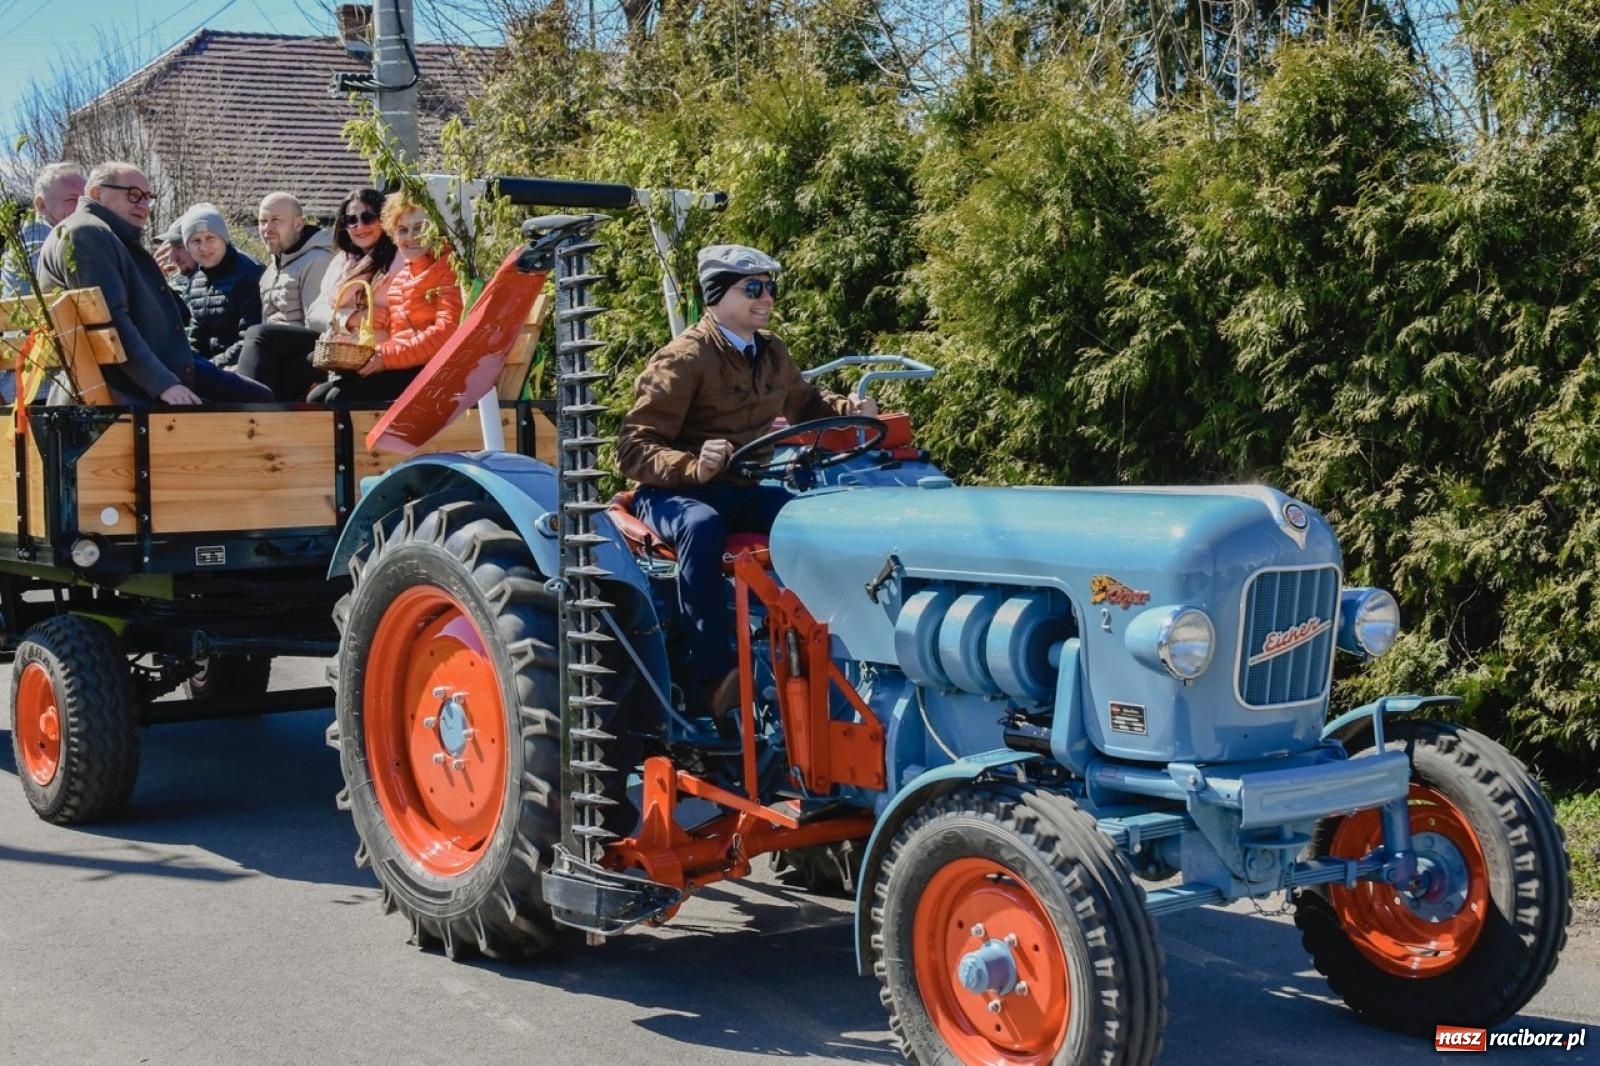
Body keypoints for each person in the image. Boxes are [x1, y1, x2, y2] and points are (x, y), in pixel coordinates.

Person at [616, 244, 876, 722]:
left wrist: (849, 411)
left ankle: (840, 642)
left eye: (770, 287)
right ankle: (711, 676)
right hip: (674, 493)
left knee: (809, 517)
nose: (766, 298)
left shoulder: (771, 351)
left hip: (741, 485)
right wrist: (694, 465)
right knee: (702, 525)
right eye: (752, 288)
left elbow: (808, 403)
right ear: (717, 295)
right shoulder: (683, 359)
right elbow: (633, 449)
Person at [34, 162, 272, 406]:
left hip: (149, 371)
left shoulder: (101, 233)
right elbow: (112, 321)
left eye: (148, 197)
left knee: (256, 391)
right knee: (262, 401)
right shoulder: (88, 233)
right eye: (133, 195)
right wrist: (162, 383)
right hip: (134, 385)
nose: (144, 206)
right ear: (96, 193)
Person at [235, 187, 395, 401]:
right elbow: (316, 312)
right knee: (264, 349)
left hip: (365, 351)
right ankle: (253, 418)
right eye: (351, 220)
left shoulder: (394, 262)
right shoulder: (343, 261)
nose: (359, 226)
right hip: (339, 347)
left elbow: (392, 316)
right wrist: (350, 317)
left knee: (261, 337)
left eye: (368, 217)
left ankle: (247, 416)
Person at [308, 192, 461, 405]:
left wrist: (386, 357)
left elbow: (446, 332)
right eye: (402, 230)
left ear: (433, 231)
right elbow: (398, 336)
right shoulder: (402, 277)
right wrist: (379, 355)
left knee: (338, 398)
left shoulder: (447, 268)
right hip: (402, 364)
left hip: (432, 369)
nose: (410, 237)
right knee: (317, 397)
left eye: (418, 228)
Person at [179, 203, 263, 365]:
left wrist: (212, 367)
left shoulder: (249, 272)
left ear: (223, 238)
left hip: (241, 367)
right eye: (196, 240)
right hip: (211, 367)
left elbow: (250, 338)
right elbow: (196, 336)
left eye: (210, 238)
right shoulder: (197, 280)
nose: (204, 247)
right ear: (188, 247)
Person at [256, 191, 333, 327]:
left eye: (275, 220)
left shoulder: (317, 261)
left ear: (298, 224)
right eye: (263, 221)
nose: (267, 228)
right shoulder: (269, 272)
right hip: (269, 344)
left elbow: (316, 325)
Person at [153, 219, 198, 301]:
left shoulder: (222, 282)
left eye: (179, 247)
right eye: (171, 248)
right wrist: (155, 282)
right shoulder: (176, 283)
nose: (173, 258)